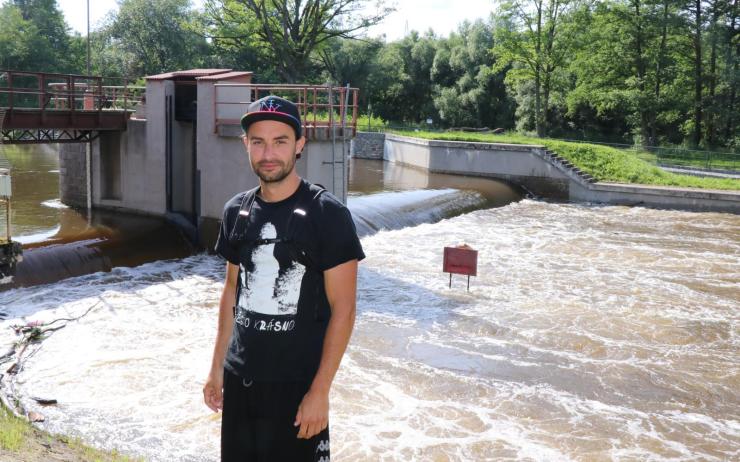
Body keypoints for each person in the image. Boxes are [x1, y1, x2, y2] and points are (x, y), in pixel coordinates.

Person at [203, 95, 364, 462]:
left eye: (280, 141)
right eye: (258, 142)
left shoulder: (328, 215)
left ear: (299, 145)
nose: (268, 153)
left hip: (296, 390)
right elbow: (232, 291)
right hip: (241, 383)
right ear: (246, 145)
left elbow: (345, 310)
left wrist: (320, 392)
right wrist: (216, 370)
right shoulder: (236, 211)